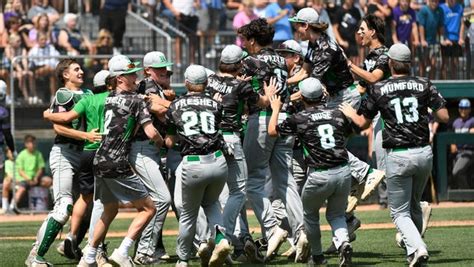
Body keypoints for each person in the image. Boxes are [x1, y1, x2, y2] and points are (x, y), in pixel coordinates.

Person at [340, 43, 449, 266]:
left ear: (390, 63)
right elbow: (445, 116)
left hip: (398, 154)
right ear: (409, 64)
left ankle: (418, 248)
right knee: (413, 204)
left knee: (399, 212)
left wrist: (350, 112)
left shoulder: (379, 88)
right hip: (423, 152)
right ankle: (414, 250)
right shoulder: (424, 84)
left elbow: (362, 123)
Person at [289, 7, 385, 211]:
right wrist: (284, 82)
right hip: (336, 97)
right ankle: (355, 187)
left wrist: (285, 99)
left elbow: (311, 85)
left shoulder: (325, 48)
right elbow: (302, 74)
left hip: (344, 97)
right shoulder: (312, 45)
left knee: (329, 145)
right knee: (332, 146)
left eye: (298, 24)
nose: (296, 28)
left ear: (306, 26)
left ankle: (367, 174)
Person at [78, 55, 162, 266]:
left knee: (109, 209)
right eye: (131, 74)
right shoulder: (136, 100)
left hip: (99, 159)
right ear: (119, 78)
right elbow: (151, 132)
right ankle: (123, 251)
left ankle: (88, 257)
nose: (135, 77)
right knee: (149, 208)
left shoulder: (107, 99)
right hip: (117, 162)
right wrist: (162, 142)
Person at [237, 18, 309, 263]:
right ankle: (301, 234)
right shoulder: (280, 59)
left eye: (246, 40)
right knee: (286, 181)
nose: (244, 45)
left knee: (253, 182)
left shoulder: (250, 61)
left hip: (263, 119)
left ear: (254, 40)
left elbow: (246, 92)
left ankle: (272, 228)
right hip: (285, 118)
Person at [268, 77, 353, 266]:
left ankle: (318, 257)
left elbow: (272, 131)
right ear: (322, 95)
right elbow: (352, 131)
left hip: (319, 174)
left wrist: (275, 109)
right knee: (337, 215)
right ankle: (343, 243)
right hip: (343, 171)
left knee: (310, 216)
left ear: (302, 97)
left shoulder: (299, 118)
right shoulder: (337, 114)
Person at [25, 59, 100, 267]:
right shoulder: (63, 94)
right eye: (76, 69)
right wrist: (85, 135)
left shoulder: (89, 94)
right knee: (64, 206)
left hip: (85, 154)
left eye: (81, 68)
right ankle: (35, 256)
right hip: (65, 153)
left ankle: (73, 243)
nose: (81, 71)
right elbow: (59, 128)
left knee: (92, 204)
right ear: (65, 75)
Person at [166, 65, 230, 267]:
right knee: (212, 204)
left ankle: (183, 259)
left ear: (186, 83)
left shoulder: (175, 105)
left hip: (193, 163)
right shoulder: (215, 104)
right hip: (218, 160)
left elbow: (169, 141)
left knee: (188, 214)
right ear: (205, 83)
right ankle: (221, 239)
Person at [129, 51, 173, 265]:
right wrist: (179, 105)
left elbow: (161, 110)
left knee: (151, 202)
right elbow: (156, 109)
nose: (165, 71)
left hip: (149, 149)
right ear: (147, 70)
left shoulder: (157, 88)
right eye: (160, 68)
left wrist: (169, 103)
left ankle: (145, 249)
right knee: (162, 199)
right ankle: (144, 251)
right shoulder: (148, 85)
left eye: (165, 67)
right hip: (143, 147)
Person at [5, 135, 51, 213]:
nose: (32, 145)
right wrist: (28, 179)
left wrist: (36, 178)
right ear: (26, 144)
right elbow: (20, 171)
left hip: (36, 179)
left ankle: (55, 206)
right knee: (21, 189)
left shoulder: (38, 154)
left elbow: (41, 168)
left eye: (33, 143)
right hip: (25, 179)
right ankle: (11, 208)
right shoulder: (22, 155)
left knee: (48, 181)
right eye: (29, 143)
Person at [28, 31, 59, 104]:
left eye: (45, 39)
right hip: (37, 70)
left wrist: (48, 65)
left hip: (50, 69)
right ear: (38, 40)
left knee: (52, 72)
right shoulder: (34, 50)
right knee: (50, 69)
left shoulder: (51, 48)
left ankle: (53, 96)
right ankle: (35, 96)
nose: (43, 41)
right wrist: (45, 65)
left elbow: (56, 59)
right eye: (41, 39)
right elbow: (32, 63)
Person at [450, 99, 474, 189]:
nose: (463, 110)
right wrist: (453, 144)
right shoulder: (456, 122)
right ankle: (464, 193)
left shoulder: (472, 120)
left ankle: (466, 194)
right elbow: (451, 136)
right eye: (461, 108)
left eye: (465, 108)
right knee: (459, 173)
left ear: (469, 109)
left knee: (457, 171)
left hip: (469, 151)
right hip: (458, 152)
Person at [417, 0, 444, 78]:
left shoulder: (440, 10)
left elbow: (441, 26)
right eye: (433, 1)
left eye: (436, 1)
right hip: (424, 41)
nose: (435, 3)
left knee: (433, 64)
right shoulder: (423, 10)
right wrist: (422, 40)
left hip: (434, 41)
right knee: (422, 64)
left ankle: (432, 82)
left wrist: (441, 39)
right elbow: (421, 25)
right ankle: (421, 82)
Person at [333, 0, 362, 66]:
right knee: (342, 66)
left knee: (355, 66)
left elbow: (359, 26)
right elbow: (334, 27)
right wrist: (340, 41)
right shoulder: (339, 11)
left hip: (353, 43)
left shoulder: (356, 11)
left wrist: (359, 39)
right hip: (342, 43)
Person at [440, 0, 464, 79]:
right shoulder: (442, 8)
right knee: (445, 63)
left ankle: (454, 83)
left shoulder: (459, 7)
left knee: (455, 63)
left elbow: (462, 24)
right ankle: (444, 83)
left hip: (456, 40)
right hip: (446, 40)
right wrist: (444, 39)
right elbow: (441, 25)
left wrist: (461, 38)